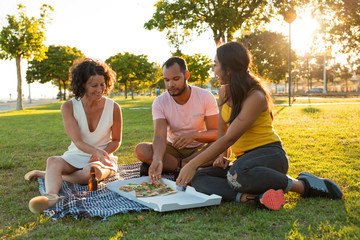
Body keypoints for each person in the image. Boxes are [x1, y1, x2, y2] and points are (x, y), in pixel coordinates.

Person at [176, 42, 343, 210]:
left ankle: (303, 185)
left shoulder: (255, 96)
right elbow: (222, 130)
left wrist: (192, 164)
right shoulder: (223, 92)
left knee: (237, 176)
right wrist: (220, 155)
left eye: (216, 65)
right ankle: (252, 198)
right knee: (199, 178)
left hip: (270, 155)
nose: (213, 70)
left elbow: (230, 137)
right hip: (244, 162)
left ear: (229, 68)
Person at [24, 58, 122, 214]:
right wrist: (94, 151)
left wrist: (101, 154)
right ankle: (50, 196)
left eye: (102, 84)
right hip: (77, 154)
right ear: (82, 84)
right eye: (94, 85)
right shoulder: (68, 107)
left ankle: (47, 175)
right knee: (53, 161)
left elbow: (116, 140)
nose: (99, 90)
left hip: (102, 158)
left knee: (91, 173)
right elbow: (77, 141)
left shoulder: (114, 107)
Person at [135, 56, 220, 185]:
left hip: (199, 148)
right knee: (141, 150)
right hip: (173, 148)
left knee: (222, 148)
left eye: (176, 79)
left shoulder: (205, 97)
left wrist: (194, 135)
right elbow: (159, 136)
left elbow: (216, 133)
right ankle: (186, 166)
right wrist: (157, 159)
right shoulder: (160, 102)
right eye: (167, 80)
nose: (171, 85)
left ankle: (176, 167)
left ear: (186, 75)